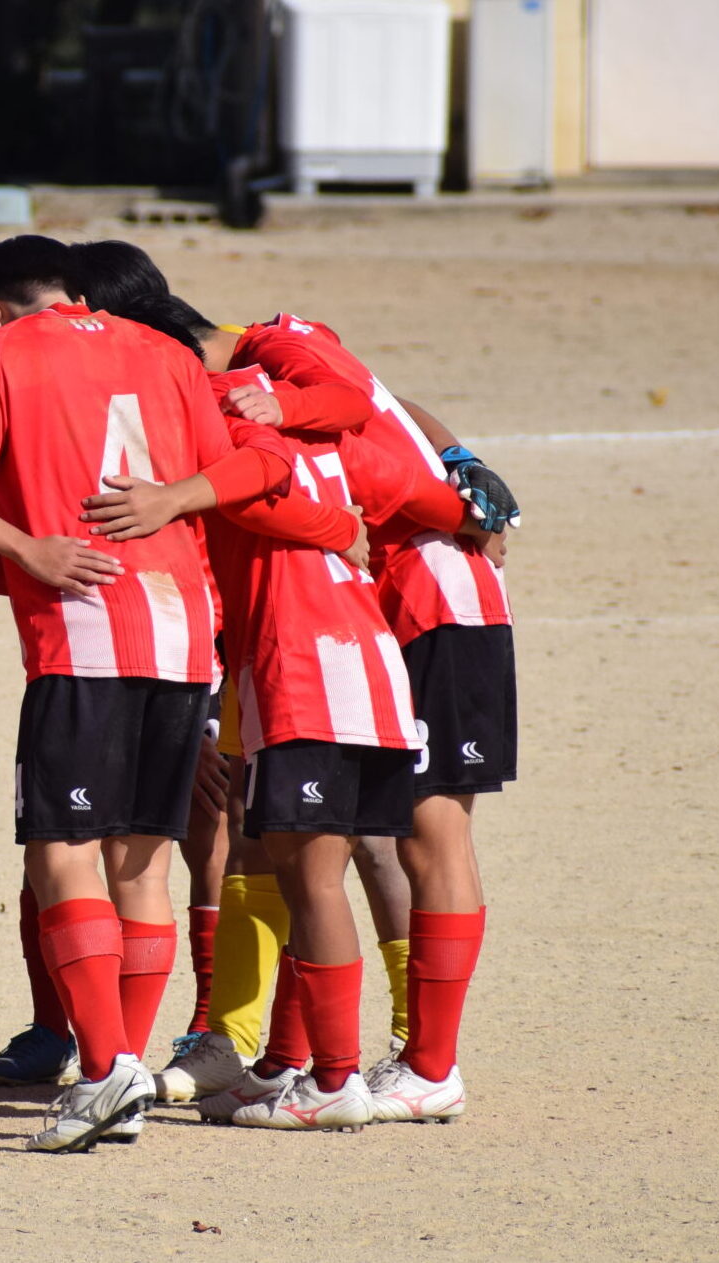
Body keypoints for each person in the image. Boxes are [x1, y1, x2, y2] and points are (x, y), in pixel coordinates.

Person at [0, 236, 296, 1150]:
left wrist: (24, 547)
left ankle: (109, 1069)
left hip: (84, 637)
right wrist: (178, 497)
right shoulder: (161, 348)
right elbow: (264, 464)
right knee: (142, 865)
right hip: (185, 631)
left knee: (61, 852)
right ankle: (123, 1072)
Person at [170, 305, 512, 1122]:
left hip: (422, 606)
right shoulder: (281, 368)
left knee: (418, 836)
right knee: (301, 838)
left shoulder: (268, 371)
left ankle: (420, 1064)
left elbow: (355, 406)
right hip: (394, 607)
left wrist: (470, 506)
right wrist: (466, 480)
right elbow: (381, 414)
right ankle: (290, 1056)